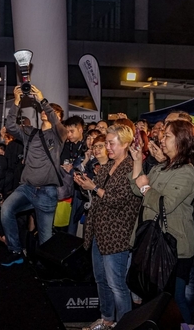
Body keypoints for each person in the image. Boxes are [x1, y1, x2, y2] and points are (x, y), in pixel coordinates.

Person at [129, 119, 194, 323]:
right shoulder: (162, 167)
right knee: (155, 298)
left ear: (181, 140)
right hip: (152, 241)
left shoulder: (186, 171)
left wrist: (146, 188)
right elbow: (137, 188)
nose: (161, 139)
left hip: (173, 246)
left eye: (167, 136)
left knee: (174, 299)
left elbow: (166, 204)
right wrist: (137, 161)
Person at [75, 125, 142, 330]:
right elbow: (98, 196)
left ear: (125, 144)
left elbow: (118, 200)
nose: (108, 148)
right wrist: (86, 184)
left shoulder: (131, 168)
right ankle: (107, 320)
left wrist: (94, 187)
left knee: (117, 285)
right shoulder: (108, 165)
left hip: (117, 235)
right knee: (101, 280)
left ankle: (124, 325)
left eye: (111, 143)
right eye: (107, 143)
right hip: (99, 231)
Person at [1, 85, 66, 266]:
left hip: (47, 192)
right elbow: (10, 126)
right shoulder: (31, 133)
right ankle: (15, 251)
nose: (46, 112)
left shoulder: (59, 135)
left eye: (52, 112)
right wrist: (16, 102)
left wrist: (42, 100)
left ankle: (48, 269)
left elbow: (55, 121)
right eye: (45, 110)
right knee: (6, 210)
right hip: (27, 188)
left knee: (45, 236)